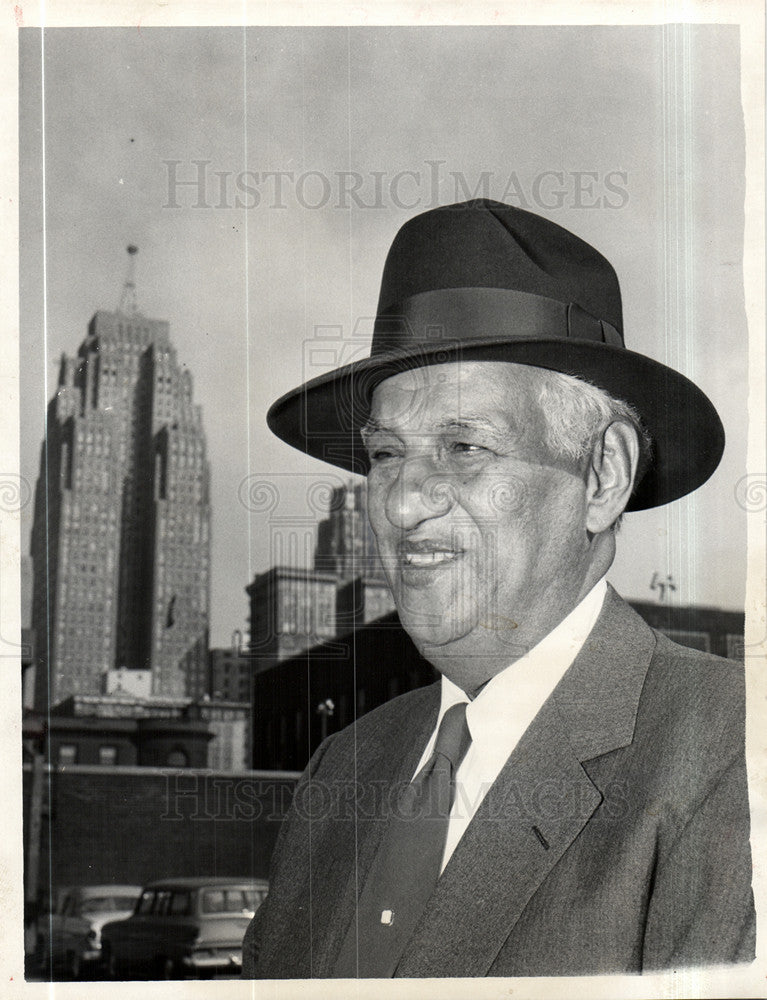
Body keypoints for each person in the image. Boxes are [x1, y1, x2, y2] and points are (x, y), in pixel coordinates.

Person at [242, 199, 754, 977]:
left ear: (602, 475)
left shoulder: (731, 752)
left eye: (464, 445)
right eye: (385, 454)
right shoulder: (345, 765)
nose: (406, 501)